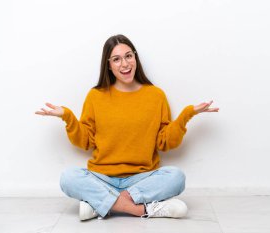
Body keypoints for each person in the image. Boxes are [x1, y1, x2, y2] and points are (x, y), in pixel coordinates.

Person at [35, 34, 219, 221]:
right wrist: (67, 117)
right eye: (116, 59)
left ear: (135, 57)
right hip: (102, 178)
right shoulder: (95, 96)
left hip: (141, 179)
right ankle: (143, 210)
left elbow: (164, 143)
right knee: (68, 177)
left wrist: (187, 114)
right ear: (108, 65)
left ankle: (100, 206)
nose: (125, 64)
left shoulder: (155, 95)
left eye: (128, 56)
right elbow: (85, 142)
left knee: (176, 177)